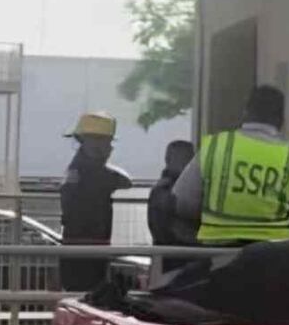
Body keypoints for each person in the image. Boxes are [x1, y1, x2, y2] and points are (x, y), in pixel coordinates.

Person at [173, 86, 289, 245]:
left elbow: (181, 202)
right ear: (281, 119)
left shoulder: (215, 146)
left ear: (246, 113)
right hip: (273, 253)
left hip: (218, 252)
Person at [59, 111, 133, 291]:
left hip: (83, 246)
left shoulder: (76, 169)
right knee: (88, 294)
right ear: (95, 143)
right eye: (108, 143)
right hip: (87, 249)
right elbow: (125, 181)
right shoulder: (92, 172)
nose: (110, 149)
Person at [147, 140, 196, 247]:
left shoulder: (161, 189)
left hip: (170, 250)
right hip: (178, 251)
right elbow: (168, 231)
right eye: (186, 158)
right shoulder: (165, 191)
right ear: (169, 160)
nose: (192, 164)